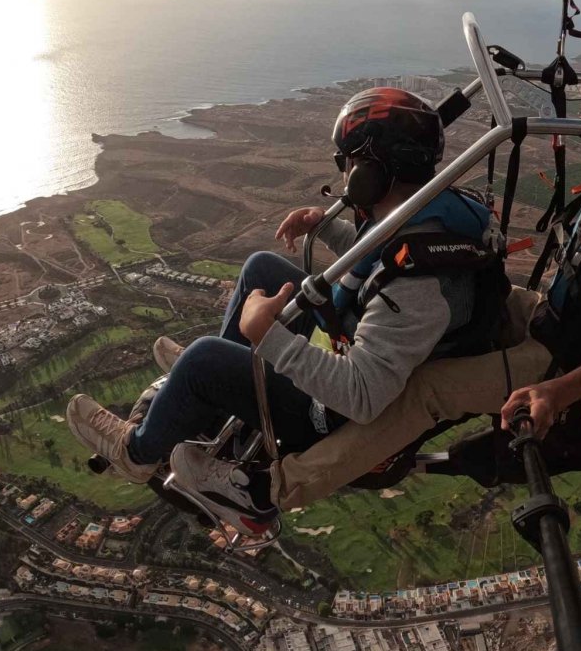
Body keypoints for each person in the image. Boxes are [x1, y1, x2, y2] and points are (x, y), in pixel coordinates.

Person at [261, 0, 581, 507]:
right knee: (468, 270)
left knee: (426, 390)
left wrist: (556, 392)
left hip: (561, 360)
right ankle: (291, 383)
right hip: (548, 315)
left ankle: (279, 488)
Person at [65, 87, 506, 533]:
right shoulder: (426, 219)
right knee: (263, 270)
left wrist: (265, 335)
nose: (345, 173)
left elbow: (363, 395)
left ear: (371, 171)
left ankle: (137, 452)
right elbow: (381, 268)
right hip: (360, 347)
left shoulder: (421, 284)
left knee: (203, 360)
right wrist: (328, 228)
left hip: (327, 416)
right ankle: (213, 388)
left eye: (347, 162)